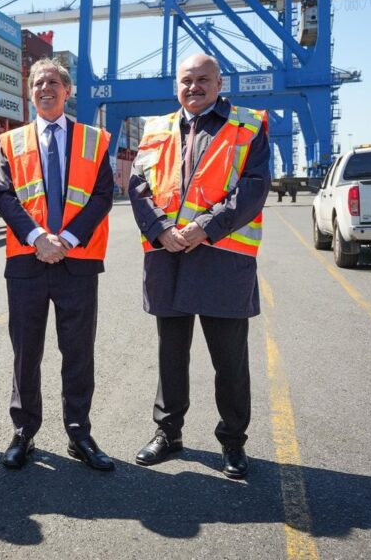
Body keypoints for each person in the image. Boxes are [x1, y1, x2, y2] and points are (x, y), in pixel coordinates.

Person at [128, 53, 270, 479]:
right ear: (176, 85)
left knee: (229, 361)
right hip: (167, 256)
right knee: (170, 356)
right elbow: (138, 187)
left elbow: (254, 188)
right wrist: (161, 231)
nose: (194, 87)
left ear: (220, 82)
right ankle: (167, 433)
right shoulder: (155, 130)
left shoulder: (249, 125)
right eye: (186, 80)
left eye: (203, 79)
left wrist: (202, 229)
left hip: (222, 258)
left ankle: (232, 442)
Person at [0, 58, 115, 471]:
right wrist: (37, 238)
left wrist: (64, 239)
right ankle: (23, 432)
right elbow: (5, 196)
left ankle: (79, 432)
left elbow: (102, 196)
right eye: (37, 83)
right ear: (30, 94)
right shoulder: (12, 141)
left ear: (67, 91)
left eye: (52, 82)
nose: (44, 88)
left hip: (76, 260)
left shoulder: (94, 139)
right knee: (25, 353)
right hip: (27, 260)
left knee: (77, 352)